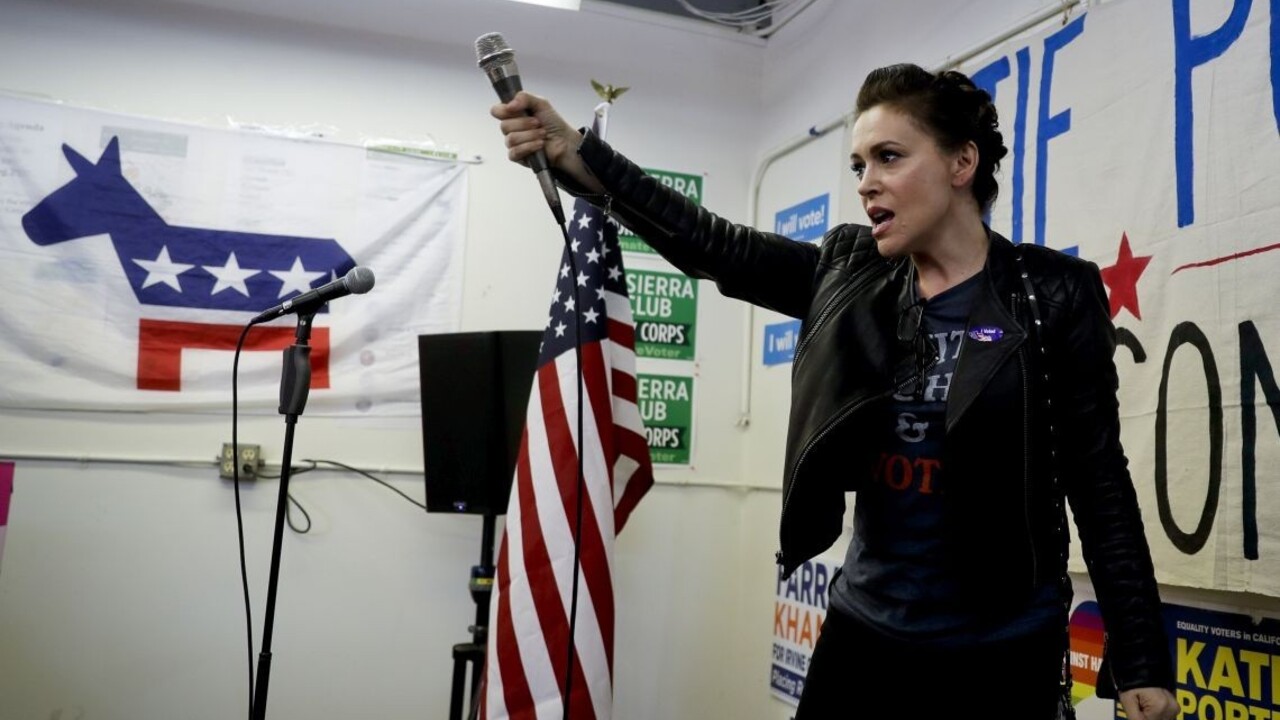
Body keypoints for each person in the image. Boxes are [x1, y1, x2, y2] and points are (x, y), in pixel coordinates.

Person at [491, 63, 1177, 719]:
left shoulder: (1051, 293)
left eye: (888, 157)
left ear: (962, 163)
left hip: (1001, 653)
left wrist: (1141, 657)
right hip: (865, 636)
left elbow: (1100, 484)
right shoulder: (854, 274)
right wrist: (582, 158)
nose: (867, 183)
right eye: (858, 166)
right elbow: (714, 245)